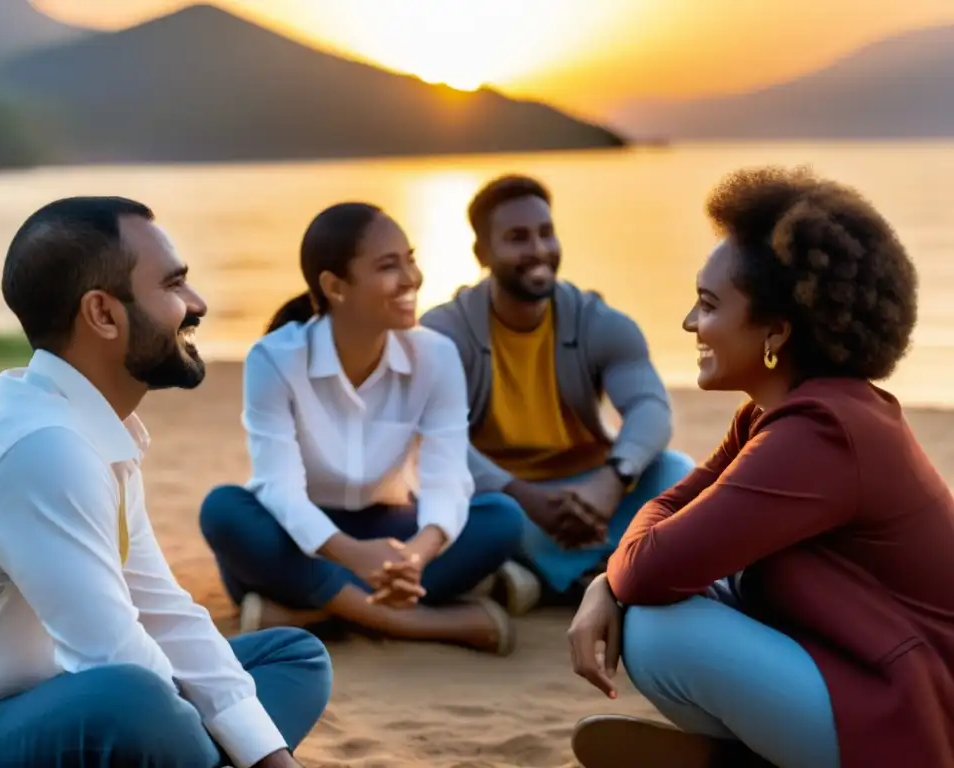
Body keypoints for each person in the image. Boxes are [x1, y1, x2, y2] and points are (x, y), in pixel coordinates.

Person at [567, 166, 954, 768]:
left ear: (776, 331)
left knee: (656, 631)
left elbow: (648, 572)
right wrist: (606, 582)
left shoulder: (821, 433)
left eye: (709, 304)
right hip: (858, 663)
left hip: (916, 712)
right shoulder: (779, 415)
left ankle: (744, 760)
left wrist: (611, 585)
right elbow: (669, 508)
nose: (690, 324)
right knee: (676, 592)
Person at [0, 197, 332, 768]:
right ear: (103, 314)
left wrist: (271, 759)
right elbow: (110, 657)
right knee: (131, 698)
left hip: (47, 702)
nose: (197, 304)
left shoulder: (94, 432)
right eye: (174, 286)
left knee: (292, 656)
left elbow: (162, 610)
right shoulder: (40, 448)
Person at [199, 202, 524, 655]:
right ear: (335, 286)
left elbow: (447, 478)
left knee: (502, 518)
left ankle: (302, 613)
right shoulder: (274, 359)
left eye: (410, 259)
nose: (411, 278)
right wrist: (353, 554)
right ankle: (424, 623)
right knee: (225, 512)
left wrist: (414, 556)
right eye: (389, 266)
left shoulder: (436, 356)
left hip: (388, 532)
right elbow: (281, 490)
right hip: (302, 538)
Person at [420, 174, 695, 603]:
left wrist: (612, 480)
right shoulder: (443, 332)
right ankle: (606, 570)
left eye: (546, 233)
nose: (538, 250)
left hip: (592, 493)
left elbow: (649, 409)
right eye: (517, 238)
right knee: (488, 517)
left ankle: (550, 575)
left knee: (677, 473)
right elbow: (434, 438)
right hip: (503, 497)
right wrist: (524, 496)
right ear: (482, 253)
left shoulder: (599, 322)